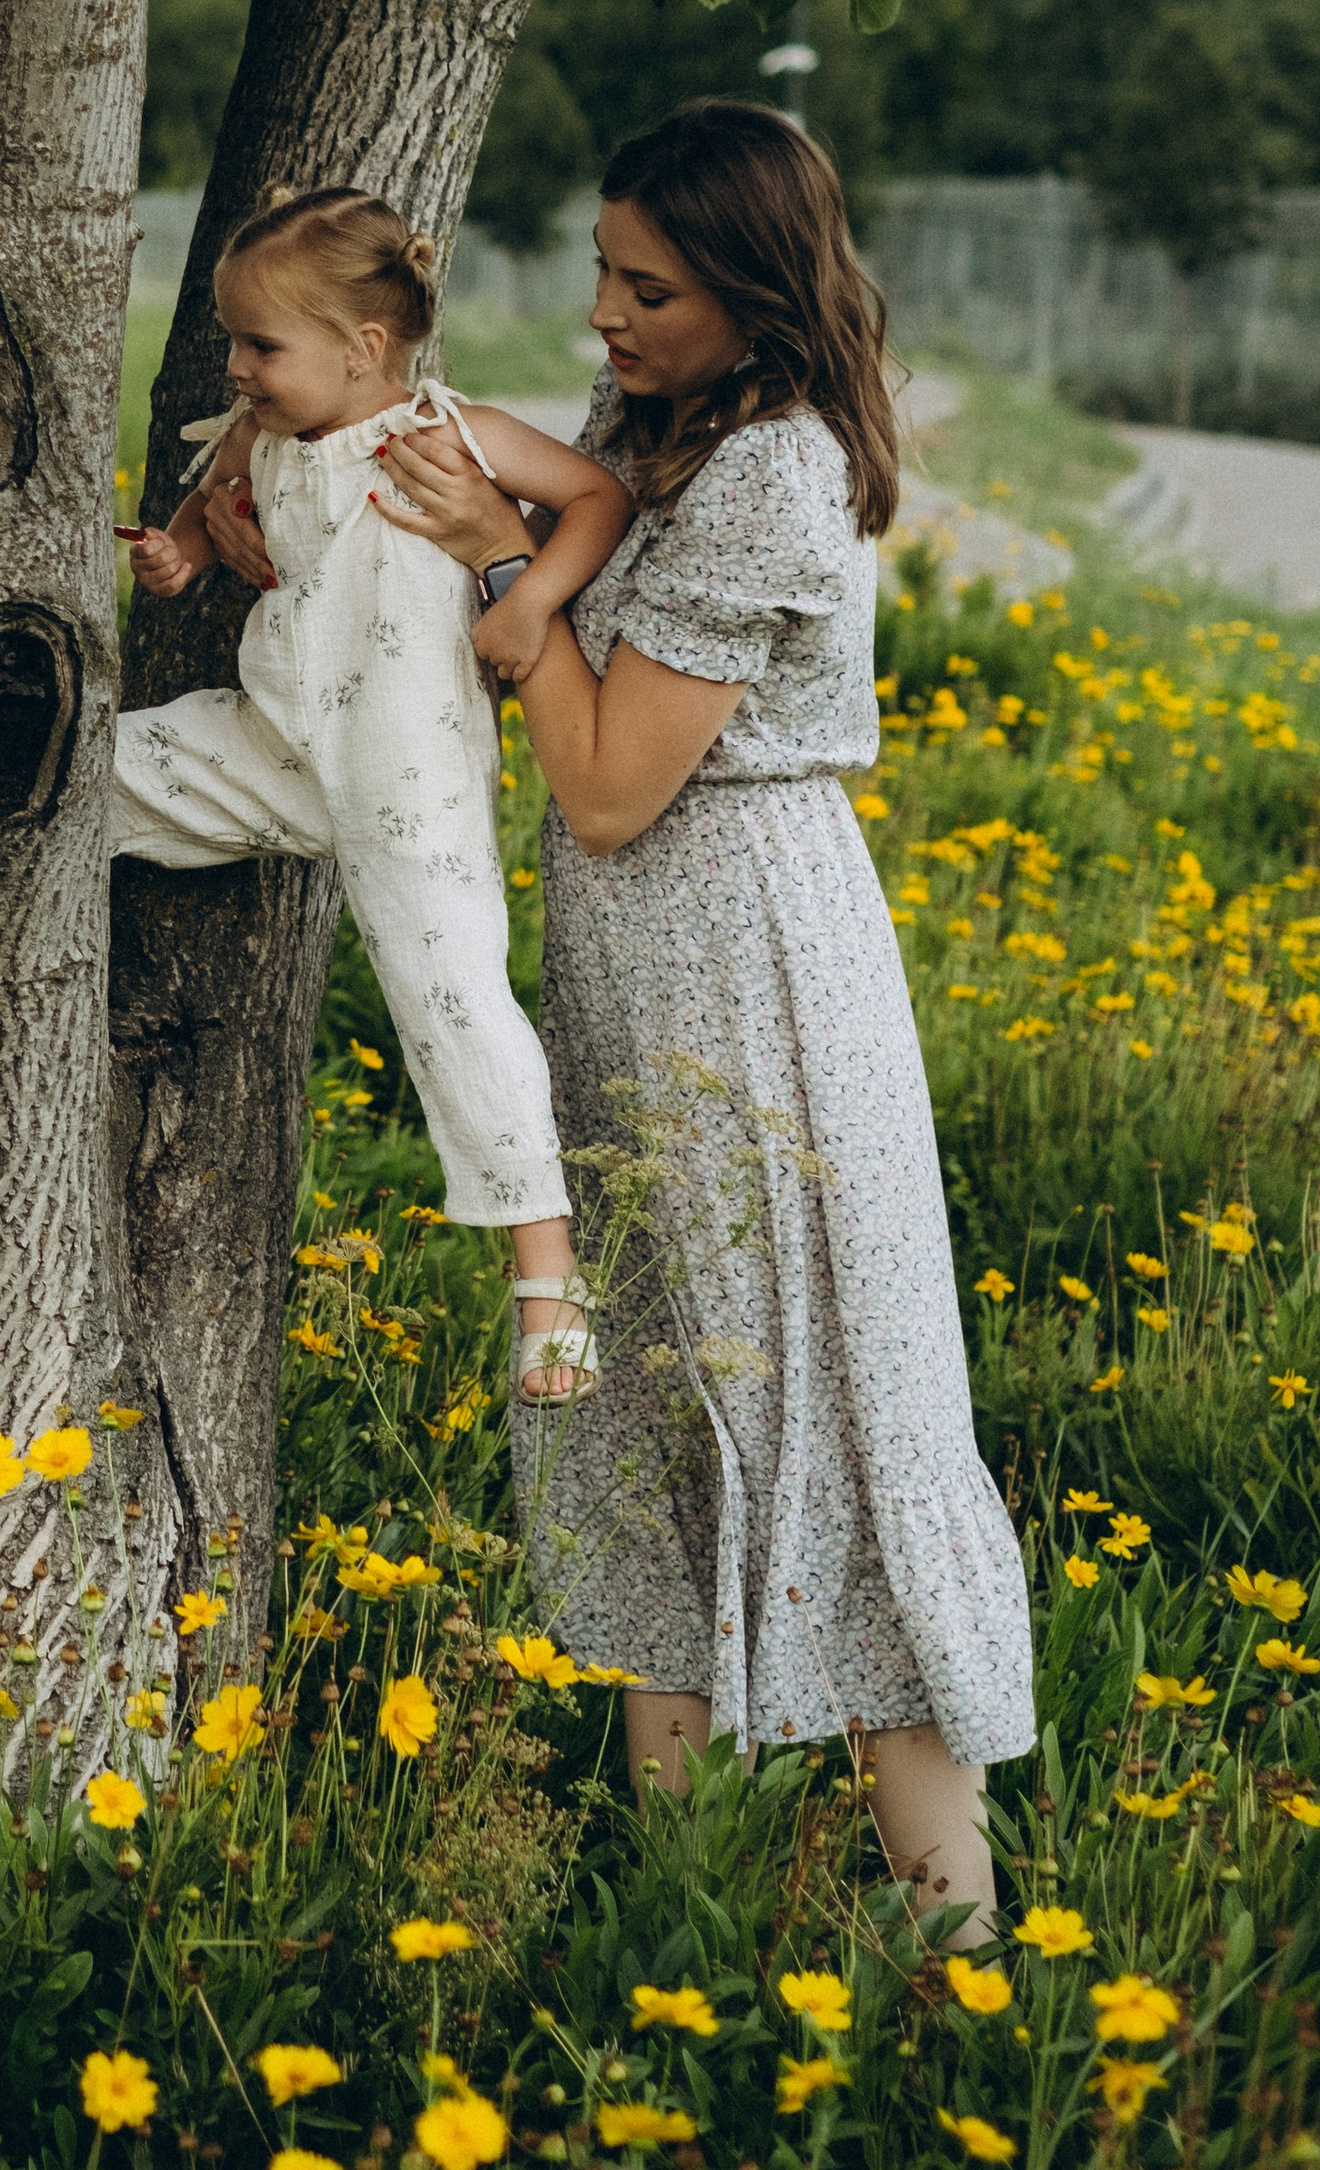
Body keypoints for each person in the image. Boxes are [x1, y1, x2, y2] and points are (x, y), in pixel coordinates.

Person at [367, 100, 1032, 1946]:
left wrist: (504, 566)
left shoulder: (777, 470)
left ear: (755, 292)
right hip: (634, 982)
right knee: (657, 1413)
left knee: (827, 1408)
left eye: (647, 286)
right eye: (600, 269)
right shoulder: (660, 432)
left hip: (753, 970)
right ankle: (691, 1928)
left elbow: (598, 784)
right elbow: (529, 589)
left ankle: (952, 1951)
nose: (605, 315)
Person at [115, 185, 634, 1349]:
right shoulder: (265, 433)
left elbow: (600, 495)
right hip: (274, 742)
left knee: (450, 997)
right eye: (233, 341)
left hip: (409, 785)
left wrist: (530, 594)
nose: (238, 368)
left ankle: (546, 1276)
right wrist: (175, 557)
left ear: (362, 350)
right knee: (88, 771)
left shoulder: (451, 437)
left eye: (261, 345)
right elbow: (204, 512)